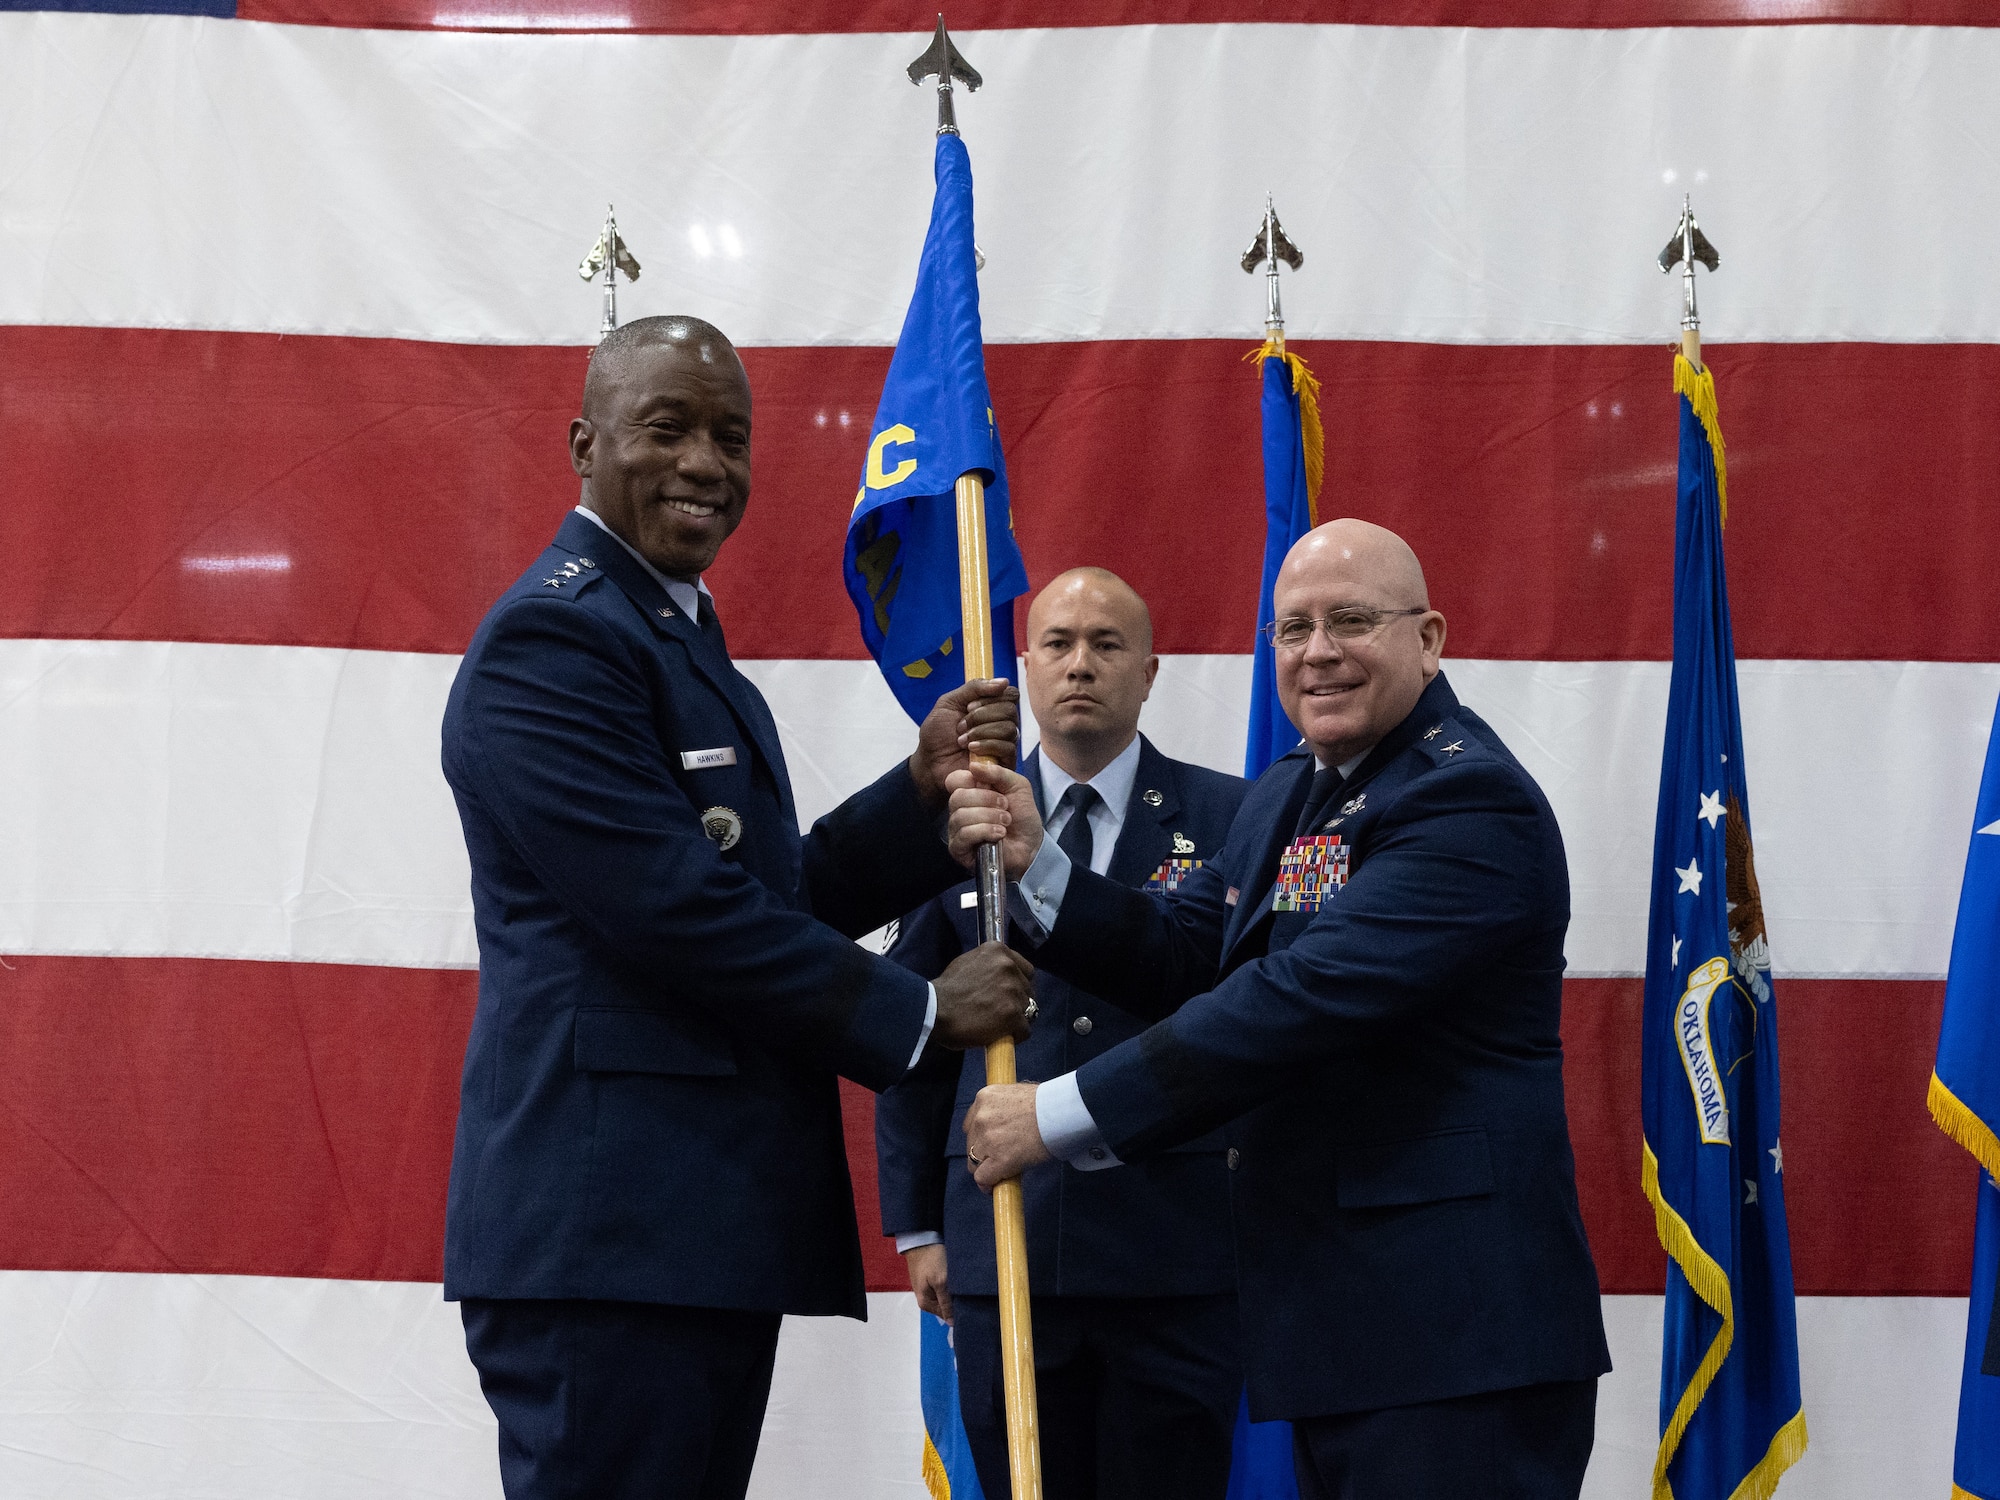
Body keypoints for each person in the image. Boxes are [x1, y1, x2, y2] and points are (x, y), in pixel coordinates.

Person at [438, 315, 1035, 1500]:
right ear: (583, 442)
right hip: (607, 1240)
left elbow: (758, 892)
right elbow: (675, 913)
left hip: (681, 1231)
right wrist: (919, 1013)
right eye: (666, 429)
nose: (706, 464)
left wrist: (916, 801)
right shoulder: (554, 641)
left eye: (731, 437)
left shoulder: (667, 630)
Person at [952, 519, 1612, 1499]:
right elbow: (1183, 949)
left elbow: (1286, 1005)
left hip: (1454, 1341)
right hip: (1351, 1330)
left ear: (1427, 638)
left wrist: (1052, 1117)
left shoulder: (1466, 801)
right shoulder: (1292, 795)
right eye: (1292, 628)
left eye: (1350, 621)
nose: (1316, 652)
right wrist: (1034, 864)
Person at [876, 568, 1250, 1500]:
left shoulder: (1234, 818)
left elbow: (1243, 1019)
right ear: (1024, 670)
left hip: (1175, 1251)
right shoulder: (954, 821)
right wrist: (920, 1224)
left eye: (1107, 644)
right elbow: (915, 1028)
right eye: (1058, 643)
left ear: (1153, 670)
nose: (1080, 664)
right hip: (1006, 1239)